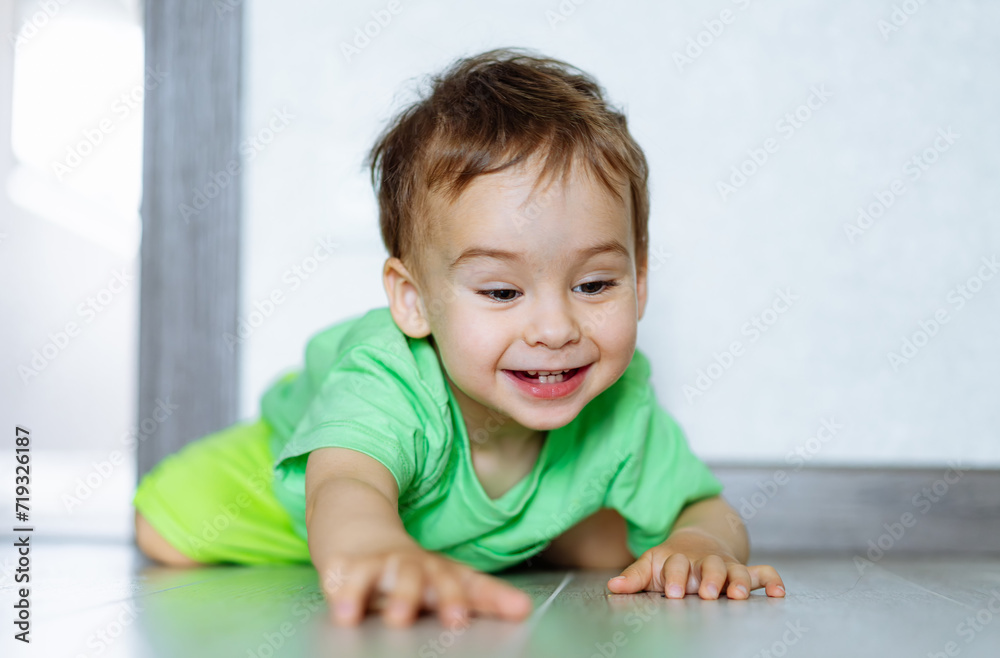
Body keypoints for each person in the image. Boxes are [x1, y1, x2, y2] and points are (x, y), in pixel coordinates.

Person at [133, 47, 785, 629]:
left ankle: (496, 534)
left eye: (593, 285)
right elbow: (346, 486)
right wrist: (376, 550)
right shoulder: (390, 374)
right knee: (165, 530)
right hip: (288, 496)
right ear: (413, 300)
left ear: (639, 283)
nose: (556, 330)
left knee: (623, 547)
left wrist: (702, 545)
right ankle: (455, 535)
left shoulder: (620, 400)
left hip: (467, 510)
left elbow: (705, 507)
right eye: (501, 292)